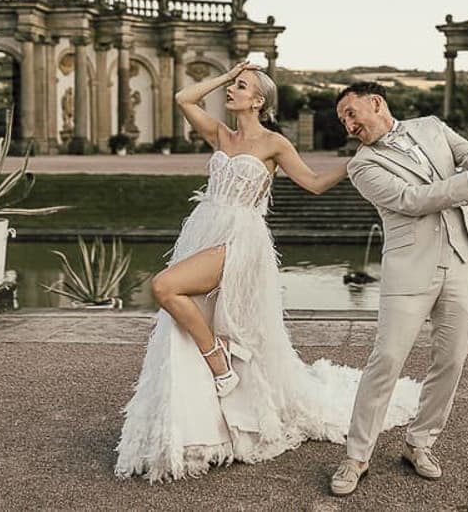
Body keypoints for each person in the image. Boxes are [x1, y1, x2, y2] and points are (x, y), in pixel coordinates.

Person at [114, 64, 421, 482]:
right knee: (186, 315)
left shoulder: (274, 143)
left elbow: (312, 183)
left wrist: (355, 163)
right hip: (204, 230)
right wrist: (227, 75)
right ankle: (204, 428)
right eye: (233, 86)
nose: (232, 91)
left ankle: (219, 361)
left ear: (259, 101)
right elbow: (183, 99)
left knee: (165, 287)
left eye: (241, 87)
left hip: (240, 240)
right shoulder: (221, 135)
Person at [330, 82, 468, 496]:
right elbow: (410, 199)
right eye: (343, 121)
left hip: (463, 260)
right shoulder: (362, 165)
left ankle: (419, 443)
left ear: (376, 103)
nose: (349, 125)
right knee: (386, 360)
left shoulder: (430, 126)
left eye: (352, 114)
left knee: (452, 360)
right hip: (410, 270)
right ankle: (356, 457)